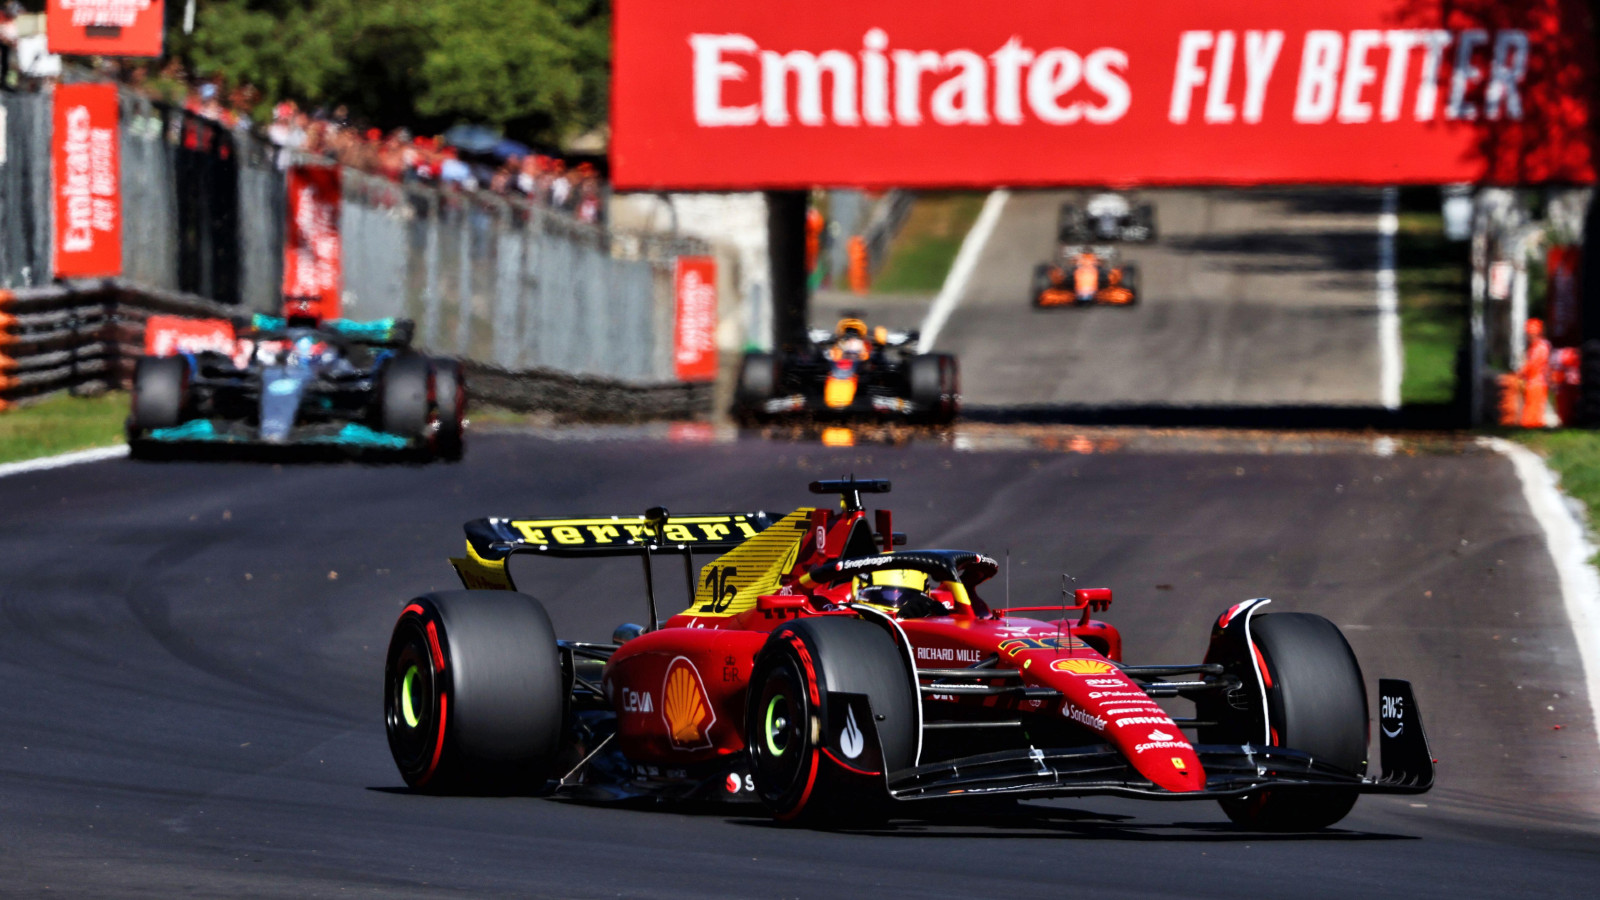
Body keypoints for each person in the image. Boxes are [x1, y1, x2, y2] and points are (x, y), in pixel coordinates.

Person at [1519, 319, 1552, 428]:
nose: (1528, 337)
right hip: (1532, 382)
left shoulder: (1541, 347)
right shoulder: (1534, 347)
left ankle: (1533, 427)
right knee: (1531, 408)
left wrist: (1522, 372)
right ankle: (1531, 426)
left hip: (1537, 382)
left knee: (1534, 410)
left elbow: (1533, 365)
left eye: (1530, 334)